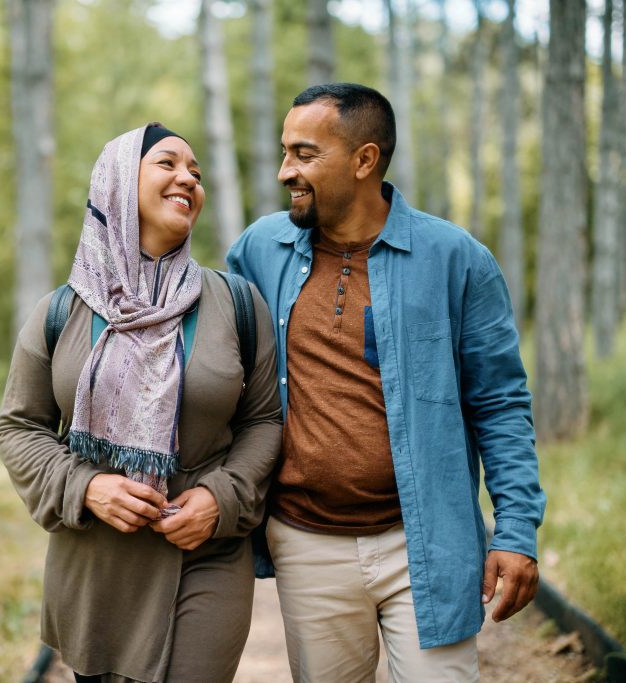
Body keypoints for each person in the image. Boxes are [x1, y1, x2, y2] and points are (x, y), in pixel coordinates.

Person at [227, 83, 546, 682]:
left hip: (426, 540)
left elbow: (501, 405)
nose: (283, 172)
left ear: (364, 159)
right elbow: (223, 380)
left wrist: (517, 531)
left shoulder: (456, 259)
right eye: (284, 152)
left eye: (303, 154)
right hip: (306, 541)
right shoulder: (257, 251)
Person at [0, 123, 282, 683]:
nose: (188, 178)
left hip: (205, 552)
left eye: (196, 171)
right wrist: (87, 486)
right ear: (119, 182)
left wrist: (221, 498)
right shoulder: (62, 312)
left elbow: (264, 419)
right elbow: (19, 426)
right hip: (96, 566)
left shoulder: (235, 303)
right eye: (168, 163)